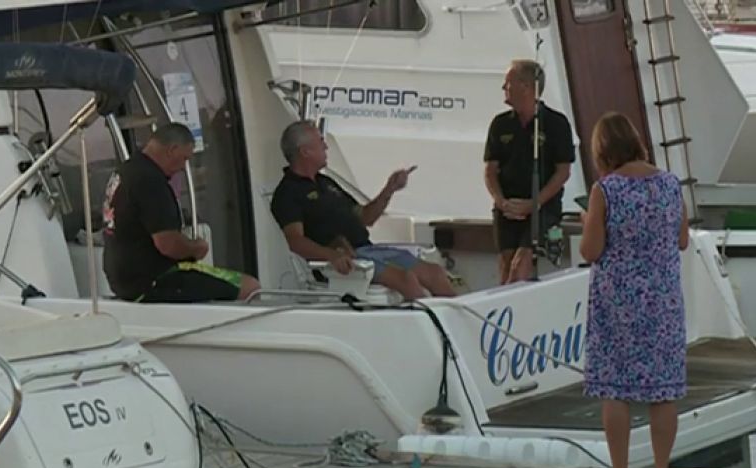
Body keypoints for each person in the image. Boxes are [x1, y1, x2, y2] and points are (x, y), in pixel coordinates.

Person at [579, 112, 689, 468]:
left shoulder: (605, 191)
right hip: (662, 302)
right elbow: (682, 240)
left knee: (616, 390)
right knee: (664, 392)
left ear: (604, 151)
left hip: (618, 304)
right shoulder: (670, 184)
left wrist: (589, 221)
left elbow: (591, 251)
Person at [270, 120, 456, 301]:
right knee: (406, 279)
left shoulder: (326, 183)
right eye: (320, 141)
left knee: (435, 273)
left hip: (368, 251)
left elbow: (367, 217)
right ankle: (433, 327)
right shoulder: (287, 193)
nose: (326, 147)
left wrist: (390, 188)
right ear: (305, 151)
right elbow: (295, 241)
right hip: (342, 263)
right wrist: (332, 255)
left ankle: (460, 328)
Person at [102, 123, 260, 302]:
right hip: (155, 279)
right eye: (184, 158)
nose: (182, 168)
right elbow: (168, 245)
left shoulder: (124, 171)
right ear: (172, 150)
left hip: (122, 279)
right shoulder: (151, 181)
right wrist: (197, 248)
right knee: (250, 288)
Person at [484, 59, 575, 283]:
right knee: (506, 266)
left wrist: (534, 203)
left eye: (508, 83)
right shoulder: (500, 124)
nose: (504, 89)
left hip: (542, 207)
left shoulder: (556, 123)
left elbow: (563, 172)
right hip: (507, 208)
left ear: (525, 86)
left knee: (521, 263)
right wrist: (501, 200)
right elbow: (490, 170)